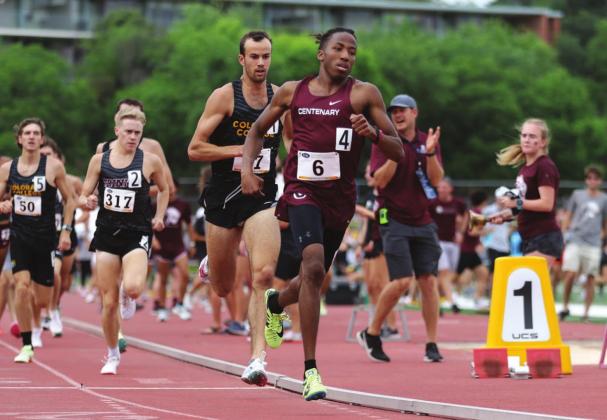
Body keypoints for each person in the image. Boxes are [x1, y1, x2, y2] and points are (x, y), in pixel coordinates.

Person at [241, 27, 404, 400]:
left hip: (339, 199)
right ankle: (311, 372)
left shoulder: (364, 94)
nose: (346, 56)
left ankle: (276, 302)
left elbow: (400, 151)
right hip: (301, 191)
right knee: (312, 265)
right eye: (338, 49)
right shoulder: (291, 91)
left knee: (313, 276)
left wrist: (375, 135)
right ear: (322, 54)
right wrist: (248, 169)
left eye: (352, 51)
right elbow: (256, 131)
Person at [187, 31, 288, 385]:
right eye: (255, 57)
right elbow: (195, 148)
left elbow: (291, 145)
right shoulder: (224, 97)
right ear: (241, 59)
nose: (261, 63)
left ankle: (257, 359)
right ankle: (212, 265)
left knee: (263, 275)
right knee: (223, 287)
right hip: (223, 197)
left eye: (266, 56)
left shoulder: (280, 98)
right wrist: (238, 150)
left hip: (261, 196)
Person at [354, 93, 443, 364]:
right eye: (393, 111)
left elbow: (436, 179)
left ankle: (431, 343)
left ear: (415, 113)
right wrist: (395, 154)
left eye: (403, 111)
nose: (397, 115)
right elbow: (378, 182)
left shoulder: (428, 141)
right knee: (402, 281)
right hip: (391, 218)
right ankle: (373, 332)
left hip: (423, 219)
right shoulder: (383, 140)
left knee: (428, 281)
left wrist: (429, 153)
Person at [79, 106, 168, 375]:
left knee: (133, 288)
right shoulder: (100, 160)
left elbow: (164, 189)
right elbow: (83, 194)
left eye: (137, 133)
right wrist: (88, 200)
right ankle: (112, 354)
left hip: (137, 232)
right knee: (107, 304)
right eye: (128, 132)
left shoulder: (150, 161)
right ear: (117, 131)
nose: (132, 137)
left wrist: (159, 215)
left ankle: (126, 293)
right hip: (107, 232)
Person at [0, 118, 75, 363]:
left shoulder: (53, 167)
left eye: (36, 133)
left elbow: (70, 200)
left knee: (41, 299)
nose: (31, 137)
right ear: (19, 139)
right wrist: (4, 204)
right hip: (19, 236)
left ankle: (43, 313)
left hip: (45, 239)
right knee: (20, 286)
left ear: (42, 139)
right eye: (27, 133)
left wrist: (65, 231)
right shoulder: (7, 169)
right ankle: (27, 344)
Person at [489, 118, 563, 267]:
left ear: (543, 142)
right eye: (524, 135)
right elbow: (525, 206)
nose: (526, 140)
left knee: (531, 286)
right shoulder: (525, 168)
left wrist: (516, 202)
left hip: (544, 237)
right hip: (530, 238)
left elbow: (546, 204)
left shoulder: (544, 166)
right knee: (533, 288)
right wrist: (505, 215)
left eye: (532, 136)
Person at [41, 137, 83, 337]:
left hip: (68, 231)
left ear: (58, 158)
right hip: (45, 235)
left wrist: (84, 210)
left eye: (48, 155)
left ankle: (55, 304)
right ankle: (50, 311)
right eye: (42, 155)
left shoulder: (72, 181)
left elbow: (82, 199)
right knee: (54, 274)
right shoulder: (33, 178)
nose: (45, 159)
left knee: (64, 280)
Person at [559, 165, 607, 321]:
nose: (592, 181)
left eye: (596, 178)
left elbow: (605, 222)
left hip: (593, 242)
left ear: (600, 181)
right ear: (586, 180)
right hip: (576, 238)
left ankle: (586, 313)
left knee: (591, 277)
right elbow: (568, 214)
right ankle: (565, 306)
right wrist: (564, 232)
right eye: (590, 178)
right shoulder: (577, 195)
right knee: (570, 273)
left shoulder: (604, 199)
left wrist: (603, 237)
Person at [152, 179, 193, 322]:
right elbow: (146, 223)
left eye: (172, 187)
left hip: (178, 246)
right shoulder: (155, 205)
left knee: (186, 275)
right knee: (163, 279)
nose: (171, 189)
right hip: (162, 246)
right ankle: (162, 308)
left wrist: (192, 242)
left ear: (177, 188)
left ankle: (180, 304)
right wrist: (153, 239)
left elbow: (189, 224)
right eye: (167, 186)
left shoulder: (183, 205)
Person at [428, 177, 466, 313]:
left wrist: (460, 232)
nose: (441, 190)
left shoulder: (458, 203)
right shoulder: (433, 204)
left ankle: (434, 300)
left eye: (444, 187)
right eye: (439, 187)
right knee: (444, 272)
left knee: (450, 274)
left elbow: (465, 216)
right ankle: (451, 302)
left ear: (450, 189)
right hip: (438, 242)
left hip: (453, 243)